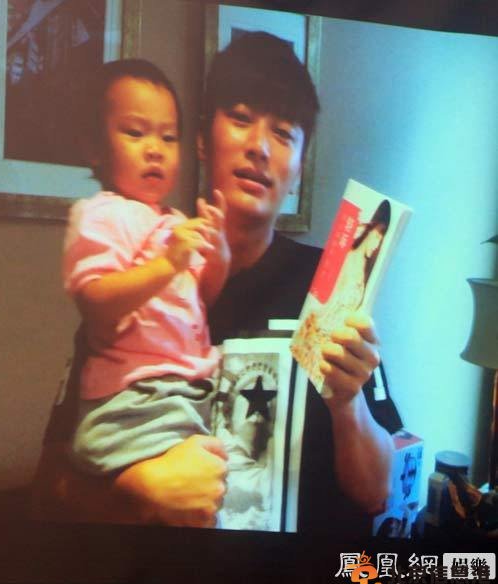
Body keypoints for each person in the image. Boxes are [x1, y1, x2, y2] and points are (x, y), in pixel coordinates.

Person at [32, 32, 402, 533]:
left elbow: (377, 494)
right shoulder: (138, 281)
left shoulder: (331, 287)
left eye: (283, 133)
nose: (259, 147)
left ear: (299, 167)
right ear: (202, 139)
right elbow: (49, 484)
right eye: (242, 119)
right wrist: (133, 495)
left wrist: (348, 404)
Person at [61, 58, 229, 476]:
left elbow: (201, 298)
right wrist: (167, 263)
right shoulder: (102, 214)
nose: (155, 148)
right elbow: (95, 300)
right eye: (135, 133)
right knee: (196, 470)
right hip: (137, 390)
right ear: (94, 149)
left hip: (189, 383)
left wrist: (219, 256)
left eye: (168, 137)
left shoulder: (175, 221)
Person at [292, 200, 391, 390]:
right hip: (315, 346)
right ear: (371, 229)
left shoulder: (363, 274)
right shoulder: (341, 264)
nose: (378, 243)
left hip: (330, 363)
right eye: (378, 233)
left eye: (382, 236)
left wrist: (348, 401)